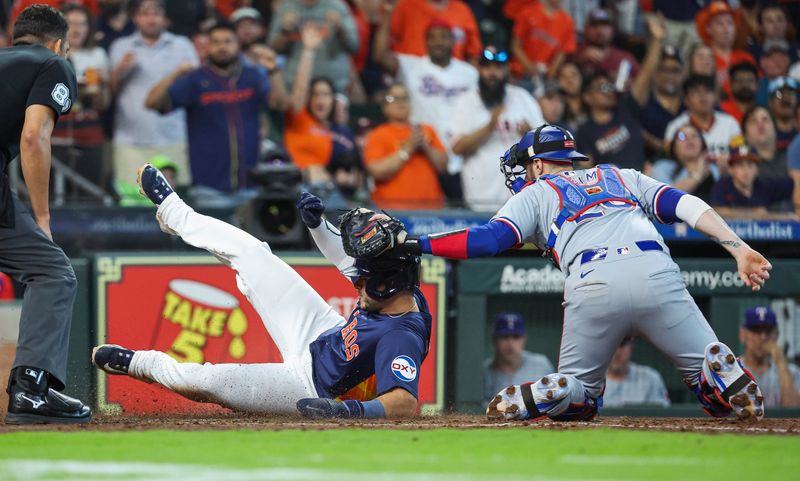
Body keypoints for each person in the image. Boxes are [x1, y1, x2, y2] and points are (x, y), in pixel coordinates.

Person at [377, 124, 772, 422]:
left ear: (536, 164)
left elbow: (486, 241)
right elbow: (683, 203)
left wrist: (415, 243)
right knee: (708, 390)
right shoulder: (618, 175)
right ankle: (714, 369)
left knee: (581, 401)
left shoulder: (536, 192)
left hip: (593, 280)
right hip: (656, 271)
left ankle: (566, 387)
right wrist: (737, 247)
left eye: (524, 166)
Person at [92, 165, 432, 419]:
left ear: (387, 283)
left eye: (364, 278)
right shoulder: (395, 286)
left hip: (312, 385)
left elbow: (403, 402)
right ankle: (175, 213)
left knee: (208, 381)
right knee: (253, 254)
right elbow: (347, 260)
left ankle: (142, 364)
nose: (356, 281)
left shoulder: (402, 335)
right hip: (321, 331)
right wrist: (317, 225)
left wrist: (347, 412)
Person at [0, 4, 90, 424]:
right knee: (53, 272)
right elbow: (34, 136)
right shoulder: (53, 63)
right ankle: (30, 390)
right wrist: (42, 217)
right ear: (58, 43)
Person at [143, 22, 288, 205]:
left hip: (250, 186)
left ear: (238, 45)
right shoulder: (195, 79)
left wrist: (274, 71)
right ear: (208, 47)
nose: (222, 47)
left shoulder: (252, 76)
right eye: (216, 42)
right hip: (209, 188)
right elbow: (151, 103)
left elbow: (281, 104)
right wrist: (176, 73)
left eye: (228, 41)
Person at [373, 12, 478, 200]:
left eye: (444, 37)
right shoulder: (411, 67)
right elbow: (380, 56)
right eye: (433, 37)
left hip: (465, 157)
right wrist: (387, 14)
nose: (439, 42)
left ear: (453, 41)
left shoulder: (469, 73)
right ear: (425, 41)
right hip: (427, 154)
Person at [109, 0, 199, 204]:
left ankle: (174, 239)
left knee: (175, 205)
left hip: (172, 136)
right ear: (136, 18)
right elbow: (110, 92)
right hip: (130, 140)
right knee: (132, 202)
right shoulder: (121, 46)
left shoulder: (182, 45)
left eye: (156, 13)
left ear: (165, 19)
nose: (151, 18)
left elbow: (195, 87)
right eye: (145, 13)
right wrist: (119, 70)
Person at [450, 46, 544, 211]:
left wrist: (530, 135)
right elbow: (458, 147)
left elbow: (547, 144)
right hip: (481, 199)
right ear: (479, 69)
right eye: (487, 67)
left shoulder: (522, 97)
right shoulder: (465, 102)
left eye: (498, 67)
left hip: (522, 198)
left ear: (506, 69)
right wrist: (490, 125)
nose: (492, 73)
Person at [575, 13, 666, 170]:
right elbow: (584, 172)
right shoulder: (585, 131)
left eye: (610, 86)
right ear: (587, 97)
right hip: (610, 190)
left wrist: (657, 40)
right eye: (602, 88)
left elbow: (646, 73)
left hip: (642, 183)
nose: (609, 91)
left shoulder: (627, 108)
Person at [283, 23, 362, 197]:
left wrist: (349, 176)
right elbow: (300, 89)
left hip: (330, 194)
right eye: (315, 94)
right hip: (298, 189)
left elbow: (356, 170)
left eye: (326, 94)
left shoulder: (339, 131)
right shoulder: (300, 119)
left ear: (333, 100)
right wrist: (308, 51)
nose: (320, 99)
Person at [51, 4, 112, 200]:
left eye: (82, 24)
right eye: (71, 24)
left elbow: (103, 104)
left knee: (90, 193)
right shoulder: (50, 53)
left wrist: (100, 89)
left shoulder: (98, 55)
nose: (77, 29)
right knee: (54, 195)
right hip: (56, 135)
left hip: (89, 133)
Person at [363, 83, 447, 210]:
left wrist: (426, 147)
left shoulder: (426, 130)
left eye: (404, 98)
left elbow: (444, 165)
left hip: (431, 212)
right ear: (384, 107)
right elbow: (376, 171)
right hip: (392, 212)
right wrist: (408, 148)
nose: (400, 102)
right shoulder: (378, 134)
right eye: (393, 98)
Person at [267, 0, 359, 93]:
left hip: (333, 85)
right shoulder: (286, 8)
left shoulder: (338, 7)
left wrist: (340, 28)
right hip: (294, 85)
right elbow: (272, 49)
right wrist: (285, 30)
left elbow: (354, 46)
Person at [710, 136, 795, 220]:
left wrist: (788, 216)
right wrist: (754, 213)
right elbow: (717, 212)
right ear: (731, 169)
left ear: (757, 169)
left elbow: (794, 184)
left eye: (750, 165)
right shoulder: (722, 186)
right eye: (740, 165)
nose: (745, 170)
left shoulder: (764, 185)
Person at [664, 74, 741, 166]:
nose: (702, 96)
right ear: (686, 99)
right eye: (695, 92)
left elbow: (740, 154)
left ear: (715, 97)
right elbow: (671, 158)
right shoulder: (675, 126)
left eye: (707, 91)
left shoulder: (730, 123)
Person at [483, 313, 554, 405]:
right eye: (504, 337)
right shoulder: (484, 371)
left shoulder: (541, 364)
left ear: (524, 339)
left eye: (516, 337)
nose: (510, 343)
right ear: (494, 340)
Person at [738, 307, 800, 408]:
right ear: (743, 334)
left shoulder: (792, 373)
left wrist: (780, 362)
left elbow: (794, 412)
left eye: (768, 330)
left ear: (776, 335)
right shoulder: (733, 370)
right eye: (756, 330)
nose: (763, 337)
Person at [694, 1, 756, 99]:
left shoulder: (745, 57)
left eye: (730, 23)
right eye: (720, 23)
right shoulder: (704, 59)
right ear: (708, 28)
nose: (726, 29)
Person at [388, 0, 482, 62]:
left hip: (452, 82)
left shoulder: (462, 10)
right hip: (410, 77)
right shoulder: (405, 5)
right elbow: (387, 42)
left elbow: (474, 53)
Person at [509, 0, 576, 82]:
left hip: (544, 76)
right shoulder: (528, 13)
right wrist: (529, 67)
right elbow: (516, 46)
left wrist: (550, 73)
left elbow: (562, 52)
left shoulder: (567, 22)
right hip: (519, 72)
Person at [651, 124, 719, 200]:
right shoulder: (662, 167)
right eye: (682, 136)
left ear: (702, 144)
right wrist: (698, 175)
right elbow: (665, 197)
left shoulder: (714, 168)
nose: (689, 139)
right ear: (673, 146)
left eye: (694, 136)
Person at [640, 44, 684, 159]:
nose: (670, 76)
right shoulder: (645, 101)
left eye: (675, 70)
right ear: (654, 73)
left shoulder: (690, 102)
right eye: (664, 70)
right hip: (649, 165)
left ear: (682, 74)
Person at [602, 337, 670, 408]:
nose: (616, 353)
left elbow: (662, 413)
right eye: (610, 346)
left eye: (621, 345)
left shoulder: (650, 377)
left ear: (631, 347)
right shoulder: (591, 380)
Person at [572, 9, 640, 79]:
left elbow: (643, 81)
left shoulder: (625, 58)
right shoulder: (574, 50)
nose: (599, 30)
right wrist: (581, 60)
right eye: (594, 25)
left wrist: (630, 84)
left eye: (604, 25)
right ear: (585, 29)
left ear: (612, 29)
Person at [742, 105, 788, 178]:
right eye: (753, 121)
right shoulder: (741, 164)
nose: (760, 125)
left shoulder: (790, 155)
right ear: (745, 135)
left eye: (765, 120)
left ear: (775, 129)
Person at [767, 76, 799, 153]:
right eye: (779, 94)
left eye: (791, 93)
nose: (786, 98)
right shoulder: (764, 133)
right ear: (770, 102)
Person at [556, 61, 586, 131]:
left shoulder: (593, 102)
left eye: (573, 75)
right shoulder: (557, 108)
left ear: (581, 77)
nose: (569, 80)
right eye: (564, 77)